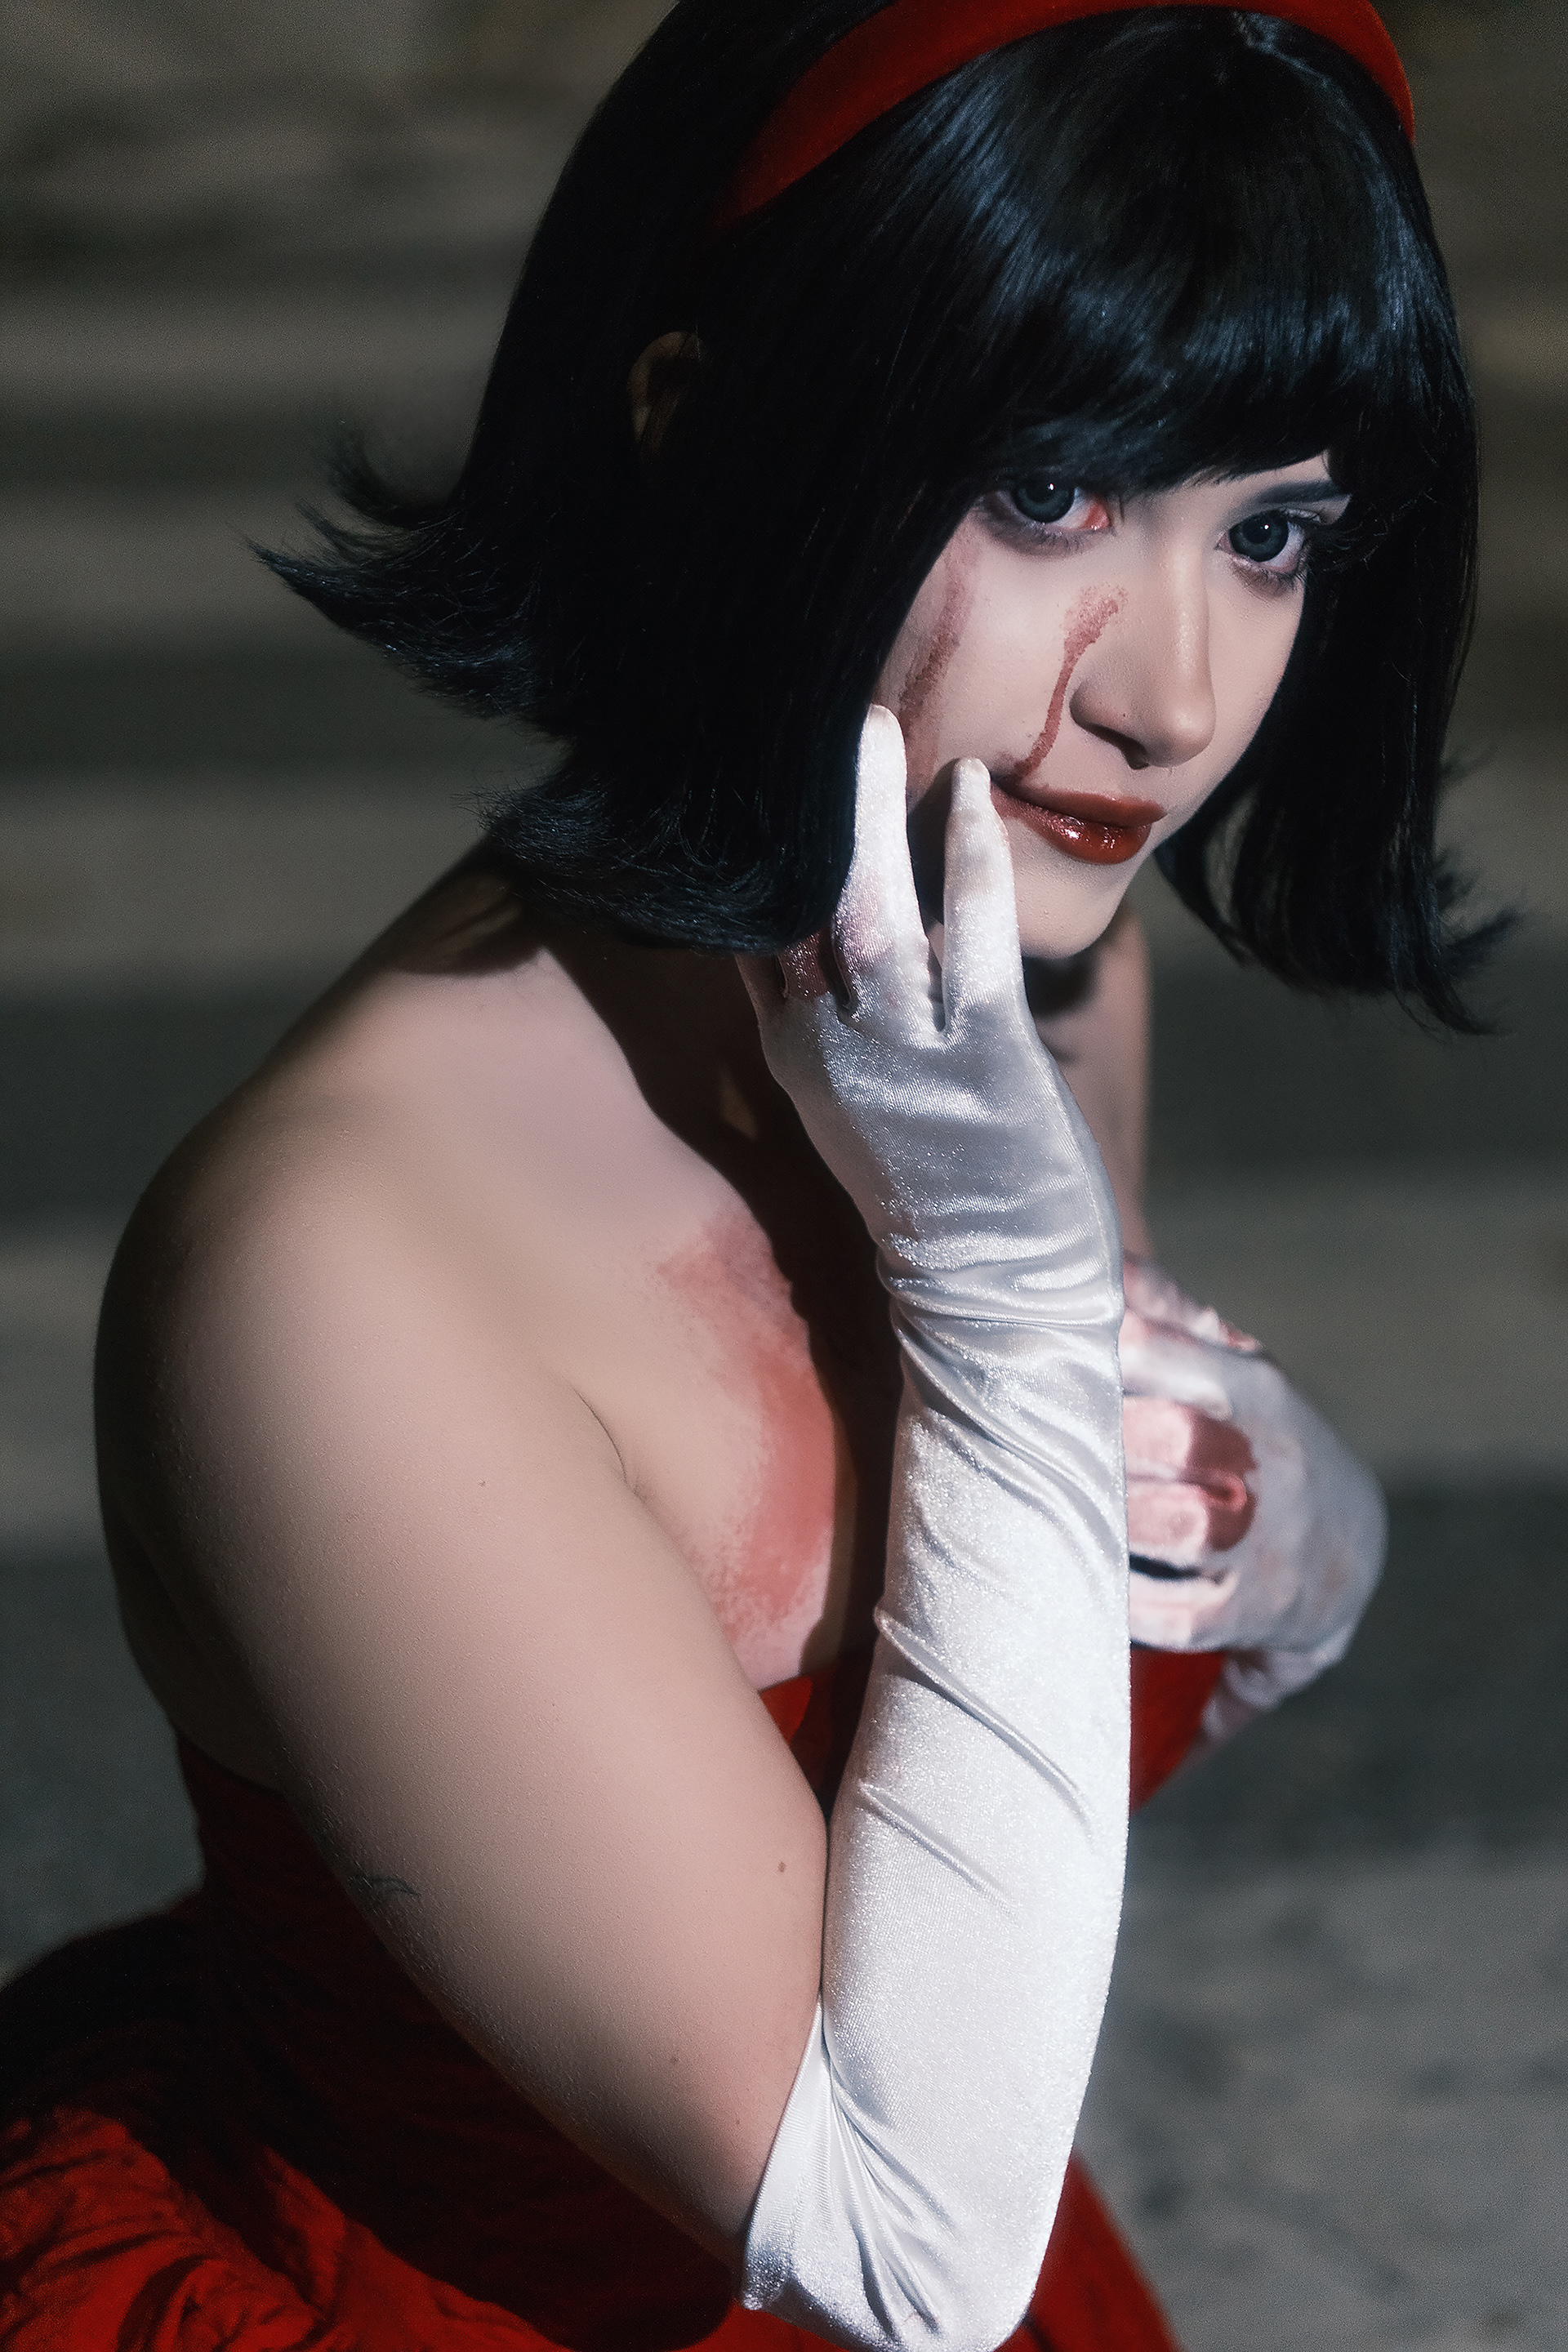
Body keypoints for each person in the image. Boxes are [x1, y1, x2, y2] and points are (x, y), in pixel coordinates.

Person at [0, 2, 1489, 2345]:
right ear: (697, 420)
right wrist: (998, 1304)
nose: (1176, 698)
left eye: (1272, 531)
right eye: (1050, 495)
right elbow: (905, 2238)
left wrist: (1298, 1530)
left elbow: (1048, 1772)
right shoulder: (338, 1273)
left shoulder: (1030, 973)